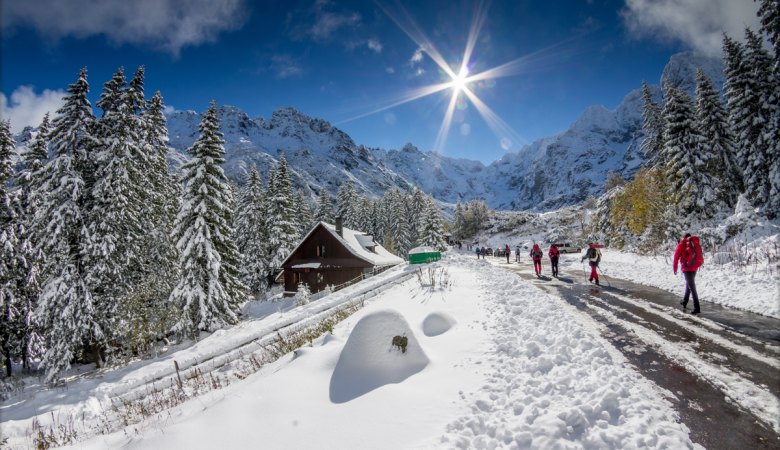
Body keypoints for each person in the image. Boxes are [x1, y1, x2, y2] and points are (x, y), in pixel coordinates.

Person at [673, 233, 702, 314]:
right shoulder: (694, 243)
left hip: (686, 268)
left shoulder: (681, 244)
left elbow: (676, 258)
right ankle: (684, 301)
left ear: (684, 237)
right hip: (694, 267)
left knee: (692, 287)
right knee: (689, 285)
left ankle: (697, 308)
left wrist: (675, 269)